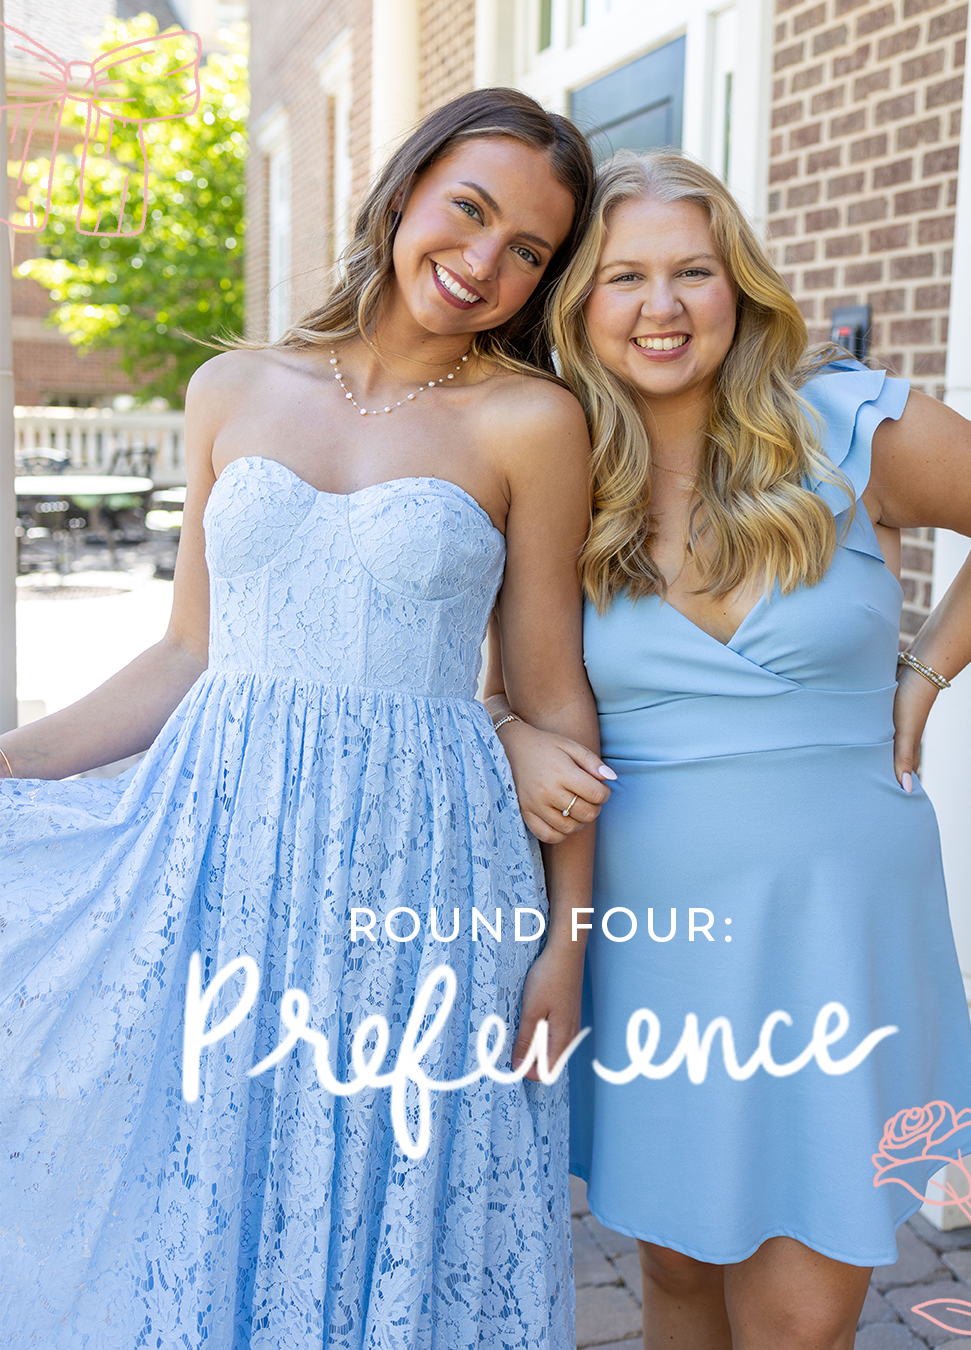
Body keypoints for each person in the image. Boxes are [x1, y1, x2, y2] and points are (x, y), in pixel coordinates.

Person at [0, 89, 600, 1350]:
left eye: (530, 250)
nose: (484, 262)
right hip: (223, 854)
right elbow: (186, 654)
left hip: (423, 863)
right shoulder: (235, 385)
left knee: (398, 1173)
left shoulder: (532, 422)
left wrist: (565, 946)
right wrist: (8, 759)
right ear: (404, 194)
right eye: (469, 211)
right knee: (221, 1162)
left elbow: (551, 698)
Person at [484, 151, 971, 1350]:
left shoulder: (847, 426)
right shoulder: (553, 462)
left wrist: (926, 675)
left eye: (693, 272)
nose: (662, 308)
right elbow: (511, 691)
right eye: (624, 277)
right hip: (656, 931)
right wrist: (507, 740)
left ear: (739, 287)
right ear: (580, 305)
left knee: (806, 1314)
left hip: (837, 920)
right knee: (679, 1275)